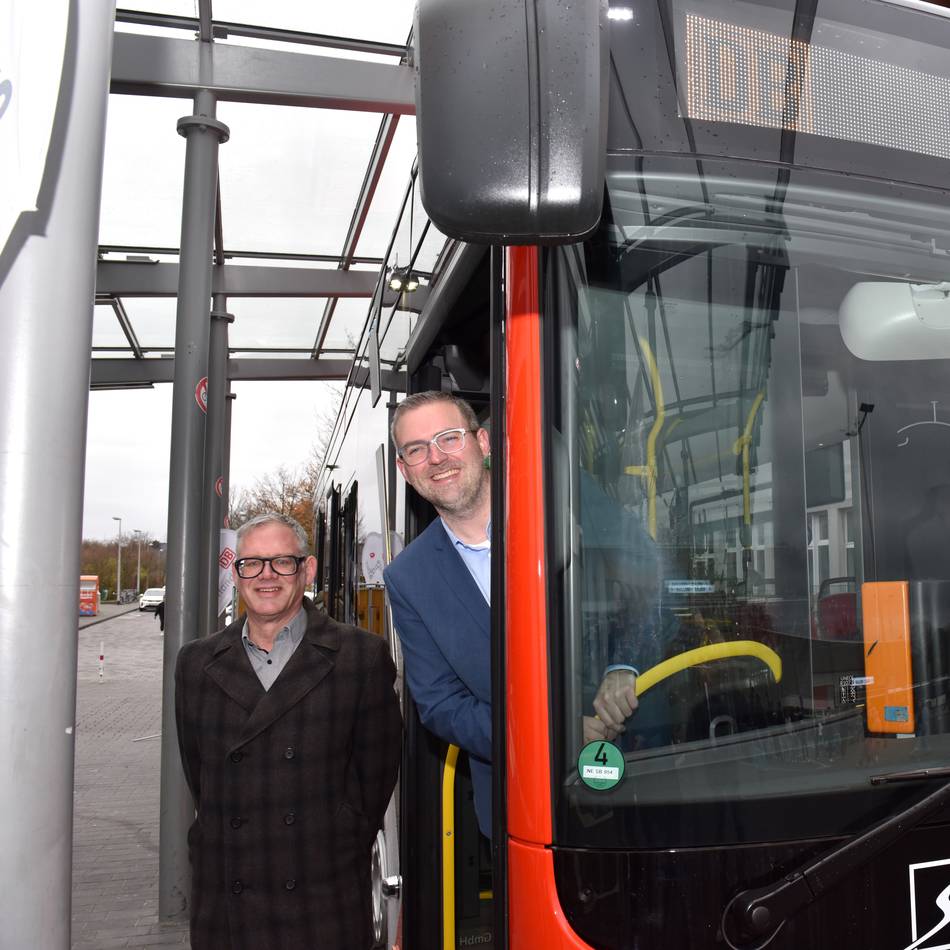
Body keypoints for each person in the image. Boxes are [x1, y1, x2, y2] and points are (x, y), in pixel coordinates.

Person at [383, 392, 640, 839]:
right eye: (417, 449)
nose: (436, 458)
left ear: (482, 443)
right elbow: (441, 705)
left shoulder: (567, 503)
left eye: (449, 438)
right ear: (404, 470)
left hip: (643, 775)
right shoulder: (408, 577)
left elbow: (652, 591)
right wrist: (551, 733)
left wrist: (624, 665)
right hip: (521, 808)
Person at [175, 512, 401, 950]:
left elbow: (374, 785)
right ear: (236, 573)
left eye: (282, 561)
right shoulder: (196, 663)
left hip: (322, 899)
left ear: (307, 569)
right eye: (251, 564)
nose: (266, 576)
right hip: (227, 906)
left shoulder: (361, 658)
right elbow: (200, 778)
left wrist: (332, 846)